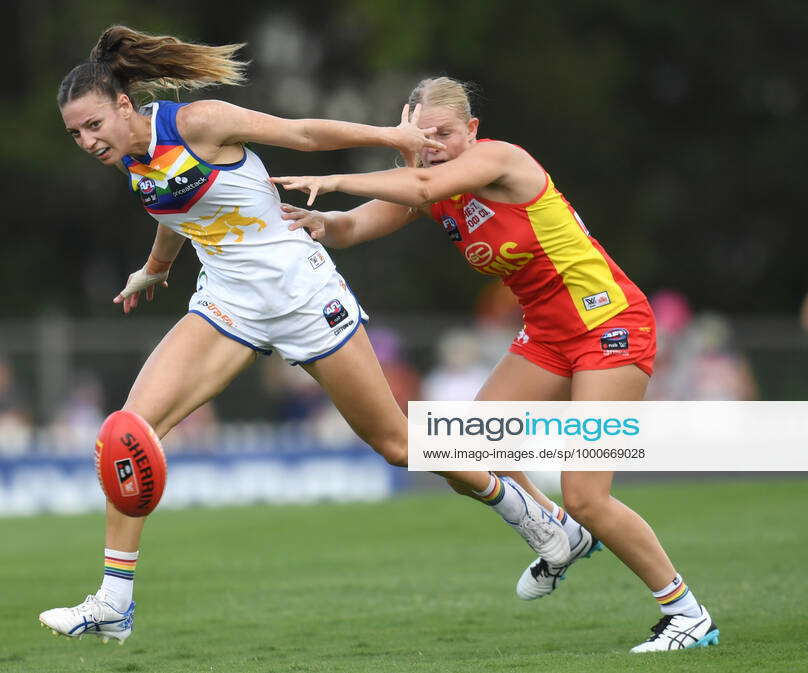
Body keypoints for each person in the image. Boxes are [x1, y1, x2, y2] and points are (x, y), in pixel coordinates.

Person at [39, 29, 572, 644]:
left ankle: (534, 517)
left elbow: (304, 134)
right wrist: (155, 269)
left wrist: (390, 137)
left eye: (92, 124)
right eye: (75, 133)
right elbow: (173, 208)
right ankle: (114, 601)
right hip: (227, 304)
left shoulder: (200, 122)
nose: (86, 141)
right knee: (127, 434)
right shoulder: (129, 155)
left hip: (303, 297)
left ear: (125, 105)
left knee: (398, 445)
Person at [272, 76, 719, 653]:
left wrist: (331, 176)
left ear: (472, 132)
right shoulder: (431, 192)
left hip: (610, 327)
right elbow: (359, 224)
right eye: (419, 134)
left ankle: (686, 613)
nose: (432, 144)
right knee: (466, 452)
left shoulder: (499, 159)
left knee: (587, 494)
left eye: (444, 133)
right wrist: (323, 223)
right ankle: (558, 537)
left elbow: (424, 178)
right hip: (548, 337)